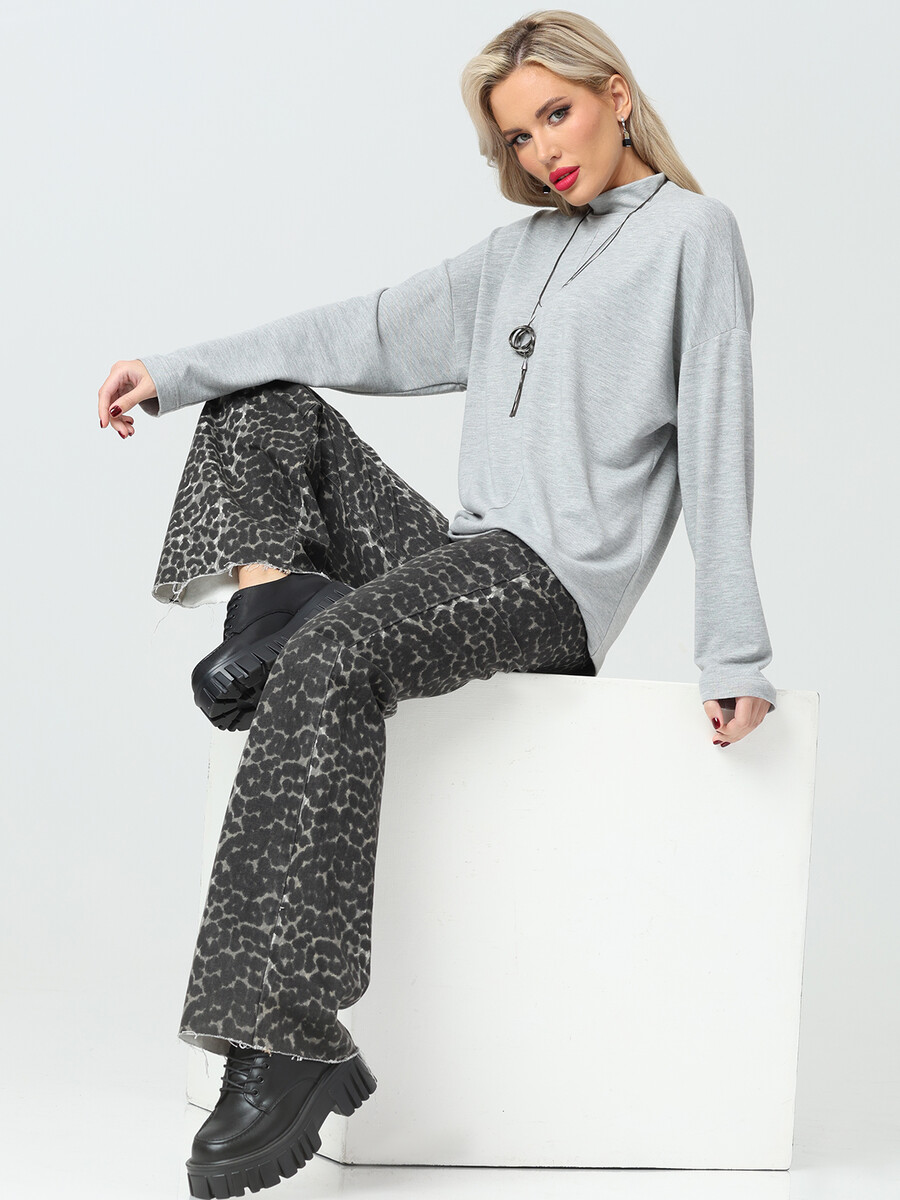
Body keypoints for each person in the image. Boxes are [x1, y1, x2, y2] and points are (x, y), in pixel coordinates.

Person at [97, 10, 777, 1197]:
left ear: (616, 97)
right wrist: (173, 371)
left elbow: (717, 442)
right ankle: (269, 613)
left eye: (557, 114)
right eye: (519, 136)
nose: (543, 151)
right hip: (455, 560)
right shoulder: (514, 254)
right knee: (263, 403)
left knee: (333, 655)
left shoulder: (693, 236)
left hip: (547, 588)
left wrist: (737, 653)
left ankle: (289, 1036)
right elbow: (355, 329)